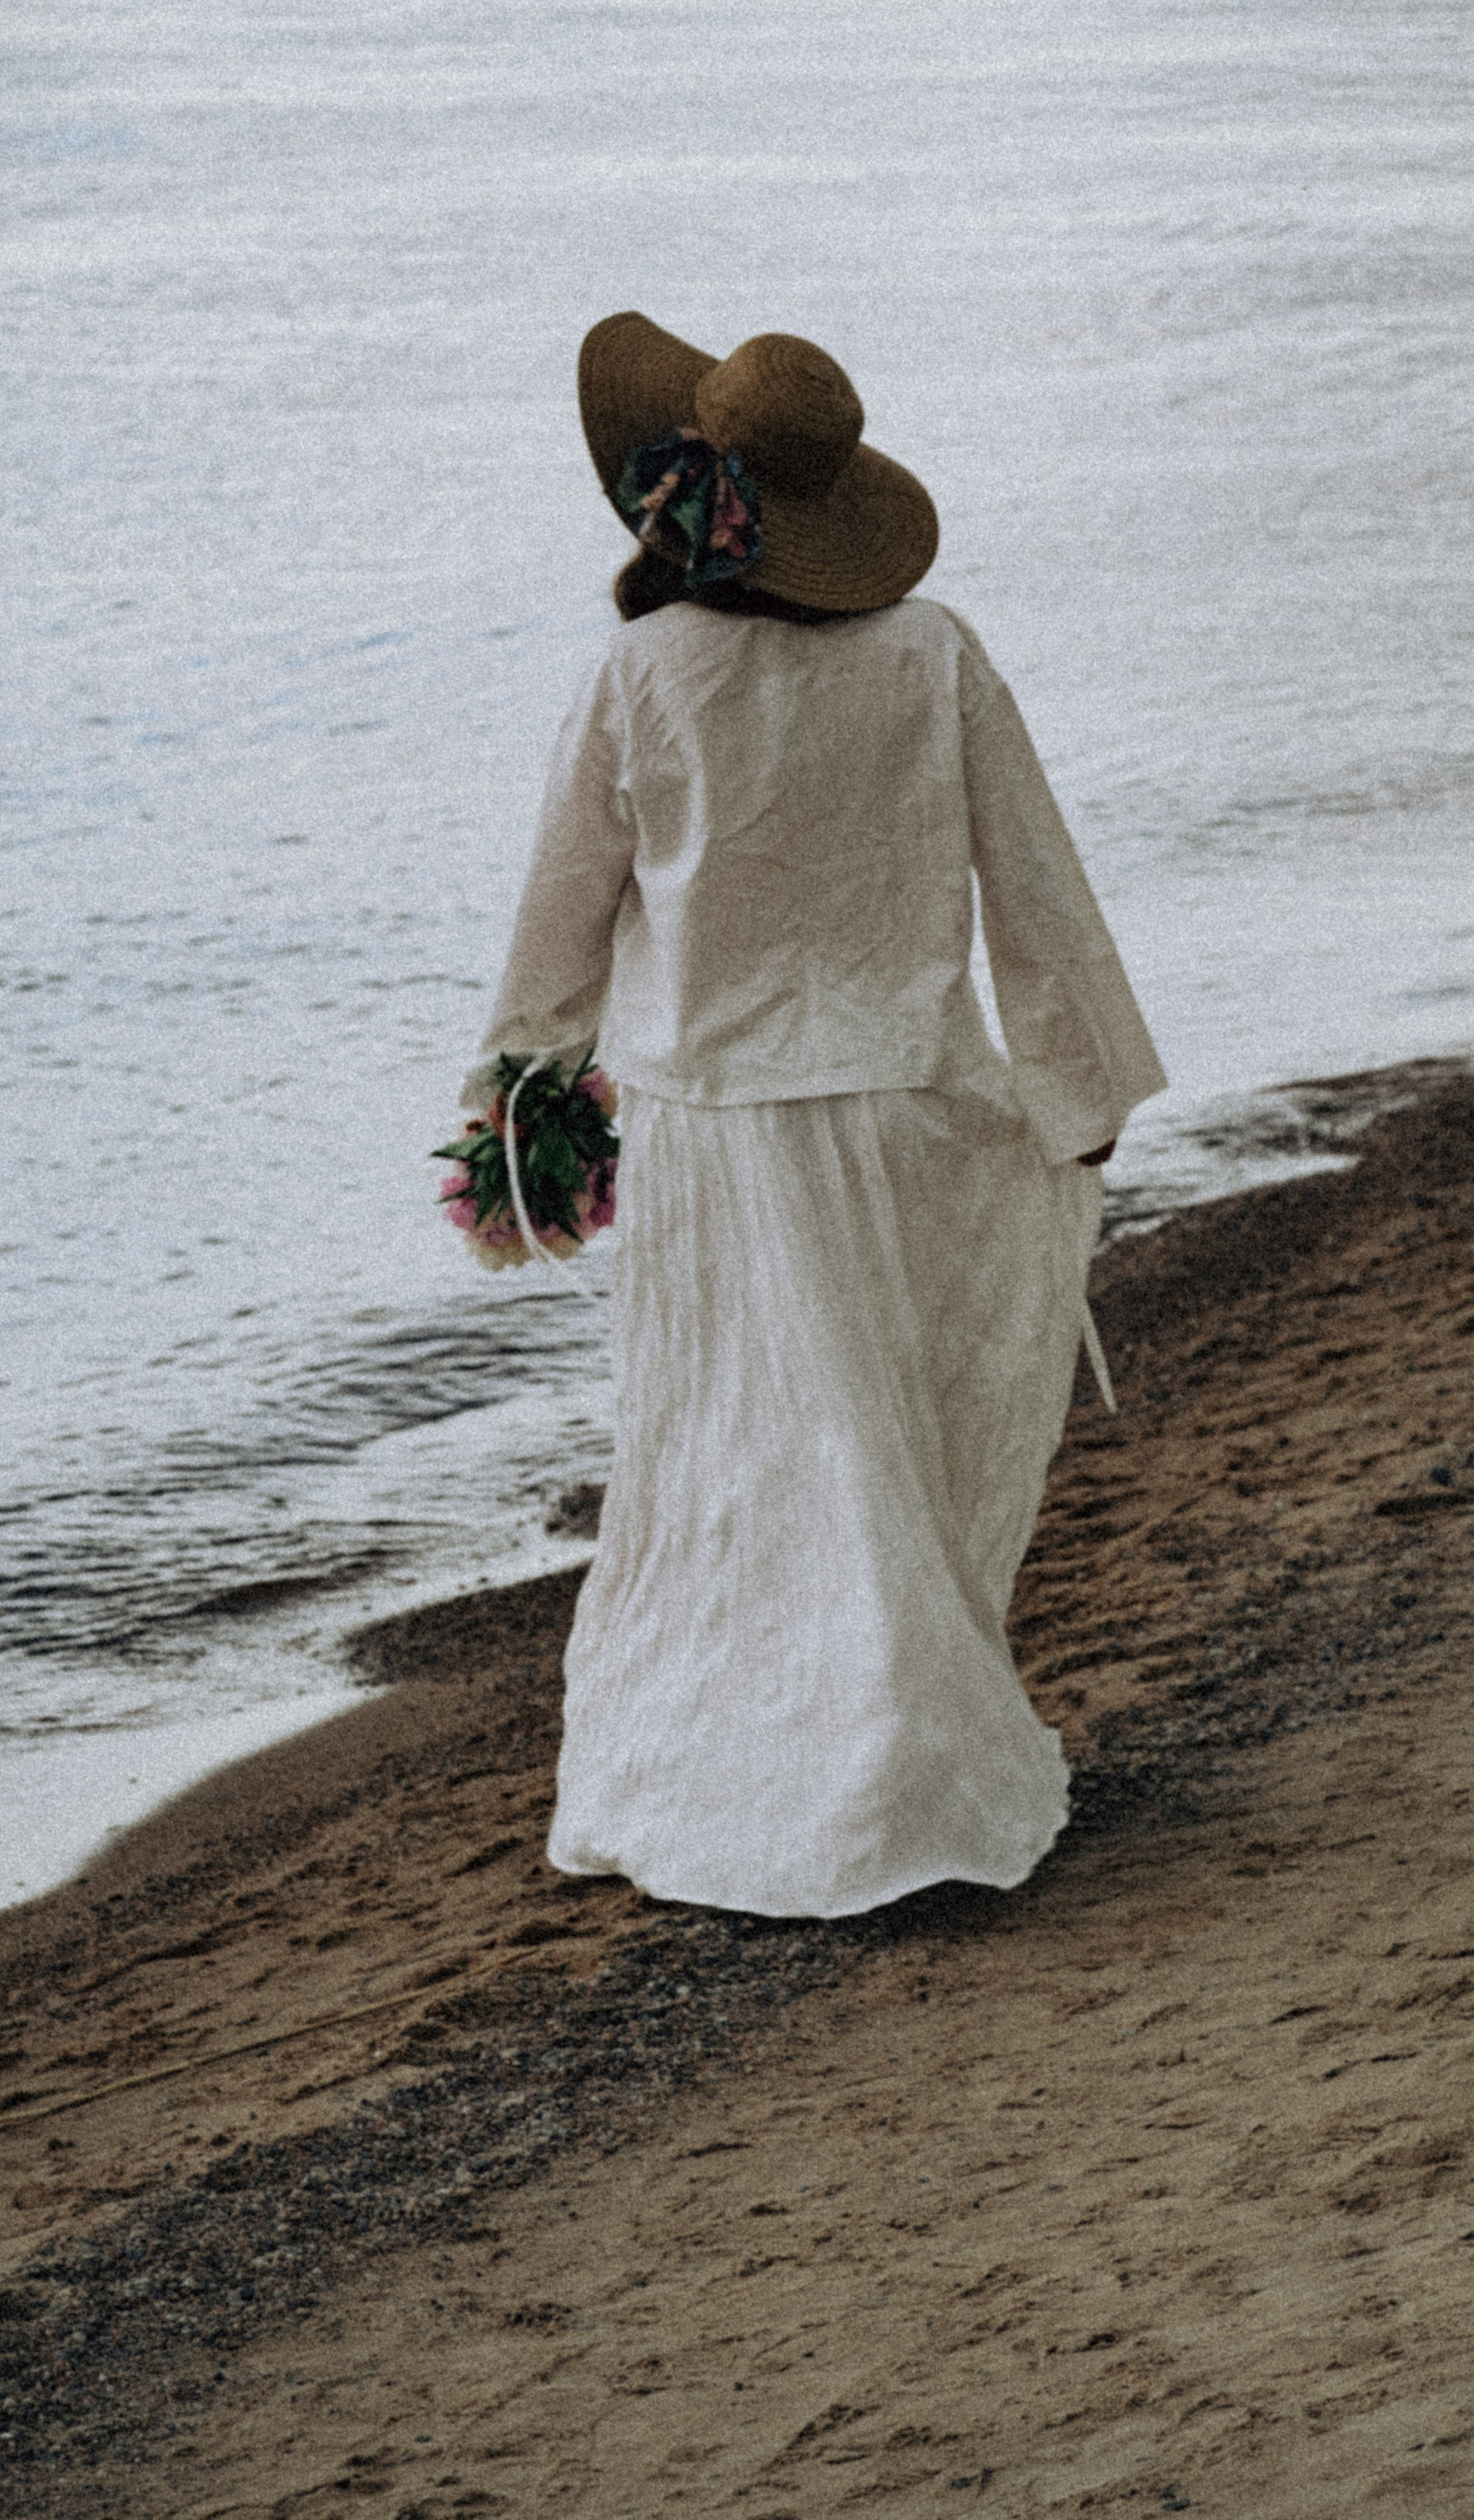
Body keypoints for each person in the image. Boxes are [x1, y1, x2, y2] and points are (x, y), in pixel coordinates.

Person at [465, 314, 1166, 1919]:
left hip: (722, 1138)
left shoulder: (642, 671)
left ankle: (764, 1784)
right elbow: (1035, 884)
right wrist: (1080, 1095)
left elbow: (558, 923)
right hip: (910, 1108)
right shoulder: (930, 654)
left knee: (738, 1461)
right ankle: (891, 1779)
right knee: (885, 1465)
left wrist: (516, 1120)